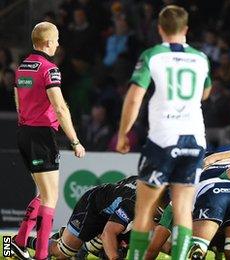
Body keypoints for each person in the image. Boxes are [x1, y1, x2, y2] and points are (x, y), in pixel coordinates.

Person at [116, 5, 212, 260]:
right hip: (195, 139)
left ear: (160, 28)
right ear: (186, 29)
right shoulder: (201, 58)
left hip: (163, 140)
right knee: (182, 209)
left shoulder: (153, 55)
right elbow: (205, 92)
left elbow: (135, 98)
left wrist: (124, 133)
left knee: (145, 208)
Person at [10, 21, 86, 260]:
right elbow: (60, 107)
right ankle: (42, 255)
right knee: (51, 197)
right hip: (41, 136)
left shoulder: (22, 67)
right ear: (48, 42)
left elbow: (18, 101)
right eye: (56, 40)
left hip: (24, 132)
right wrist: (74, 141)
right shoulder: (49, 69)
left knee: (44, 193)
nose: (58, 44)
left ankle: (19, 242)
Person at [27, 176, 139, 259]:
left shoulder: (145, 182)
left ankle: (72, 236)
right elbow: (108, 233)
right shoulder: (134, 202)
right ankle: (19, 242)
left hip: (110, 210)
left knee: (115, 250)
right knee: (62, 252)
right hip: (94, 206)